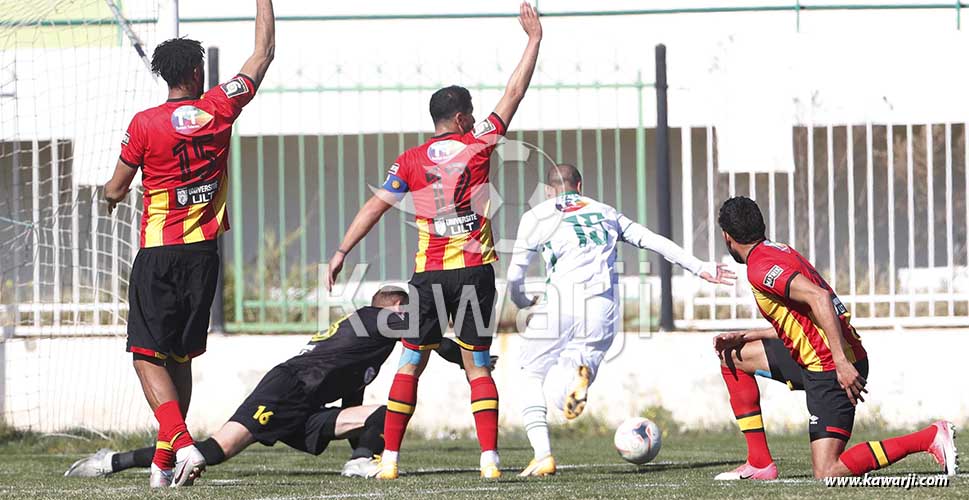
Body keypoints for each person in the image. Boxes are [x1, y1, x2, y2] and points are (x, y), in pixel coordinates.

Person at [324, 1, 543, 480]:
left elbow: (375, 206)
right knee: (477, 363)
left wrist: (342, 251)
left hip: (429, 275)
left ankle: (392, 462)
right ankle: (489, 461)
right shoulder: (479, 142)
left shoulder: (409, 160)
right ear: (464, 117)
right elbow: (514, 92)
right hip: (474, 270)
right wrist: (533, 40)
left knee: (410, 361)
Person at [101, 0, 275, 488]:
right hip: (203, 255)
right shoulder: (220, 107)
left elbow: (116, 188)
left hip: (159, 253)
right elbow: (262, 53)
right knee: (180, 358)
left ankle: (181, 444)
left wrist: (110, 198)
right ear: (198, 71)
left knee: (145, 356)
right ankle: (163, 465)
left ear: (166, 75)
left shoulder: (144, 124)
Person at [65, 288, 476, 480]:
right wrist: (470, 356)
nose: (407, 320)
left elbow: (356, 406)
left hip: (308, 408)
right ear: (393, 309)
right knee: (210, 452)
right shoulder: (371, 318)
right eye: (404, 311)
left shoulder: (371, 351)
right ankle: (111, 462)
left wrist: (363, 452)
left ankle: (357, 465)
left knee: (384, 415)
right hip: (286, 389)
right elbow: (429, 333)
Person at [506, 163, 735, 476]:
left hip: (560, 301)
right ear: (580, 185)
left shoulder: (536, 215)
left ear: (548, 191)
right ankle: (579, 376)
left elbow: (515, 275)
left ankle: (543, 455)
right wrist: (699, 267)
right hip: (602, 306)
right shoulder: (604, 211)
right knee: (570, 371)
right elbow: (652, 240)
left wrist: (522, 301)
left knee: (530, 373)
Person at [712, 196, 958, 480]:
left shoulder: (760, 268)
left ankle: (930, 437)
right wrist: (746, 335)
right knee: (733, 357)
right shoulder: (775, 251)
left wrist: (841, 362)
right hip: (816, 357)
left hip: (830, 366)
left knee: (828, 471)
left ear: (727, 236)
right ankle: (759, 464)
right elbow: (802, 319)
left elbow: (820, 298)